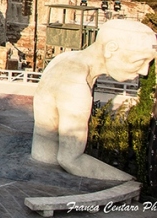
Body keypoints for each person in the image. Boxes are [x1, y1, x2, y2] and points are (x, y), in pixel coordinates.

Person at [32, 19, 157, 181]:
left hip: (42, 162)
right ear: (111, 49)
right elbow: (70, 159)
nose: (145, 71)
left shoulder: (66, 58)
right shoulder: (75, 84)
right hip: (49, 178)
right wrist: (131, 181)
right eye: (139, 61)